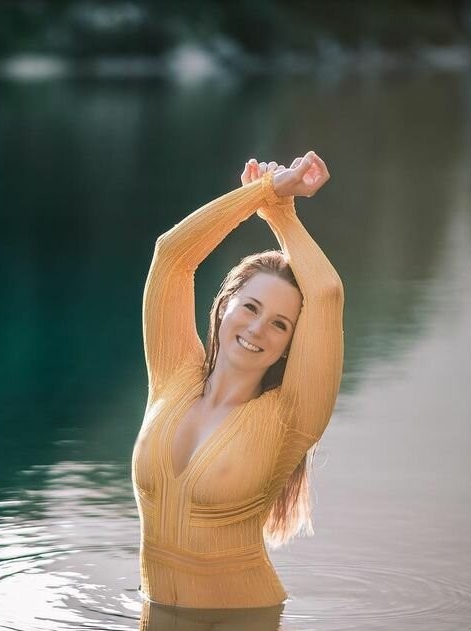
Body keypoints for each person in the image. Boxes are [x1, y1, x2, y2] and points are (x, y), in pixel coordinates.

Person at [131, 151, 344, 611]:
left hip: (244, 617)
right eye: (250, 307)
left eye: (280, 325)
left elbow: (326, 293)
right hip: (155, 613)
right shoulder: (172, 374)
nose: (257, 329)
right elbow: (171, 256)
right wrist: (262, 192)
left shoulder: (290, 416)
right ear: (224, 305)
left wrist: (281, 215)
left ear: (290, 346)